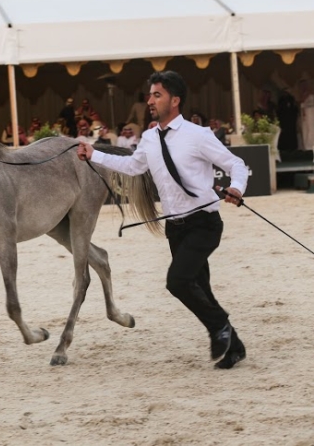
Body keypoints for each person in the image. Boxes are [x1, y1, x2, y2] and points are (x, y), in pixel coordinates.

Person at [76, 70, 249, 370]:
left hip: (204, 223)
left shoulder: (198, 135)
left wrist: (236, 187)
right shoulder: (149, 138)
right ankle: (234, 347)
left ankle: (219, 326)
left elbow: (236, 164)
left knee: (177, 282)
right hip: (175, 228)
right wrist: (95, 155)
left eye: (158, 95)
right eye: (150, 95)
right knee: (200, 288)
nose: (150, 101)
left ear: (175, 100)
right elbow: (132, 166)